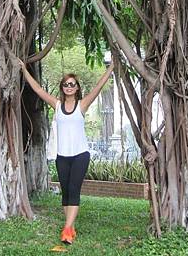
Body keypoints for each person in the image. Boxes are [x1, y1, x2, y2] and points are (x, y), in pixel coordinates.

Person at [19, 58, 115, 244]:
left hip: (80, 155)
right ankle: (70, 226)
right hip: (62, 156)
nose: (69, 87)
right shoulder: (57, 106)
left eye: (72, 84)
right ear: (63, 88)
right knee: (65, 192)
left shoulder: (82, 105)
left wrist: (110, 68)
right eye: (66, 84)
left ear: (77, 88)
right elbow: (38, 90)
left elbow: (97, 88)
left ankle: (67, 230)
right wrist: (24, 70)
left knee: (73, 189)